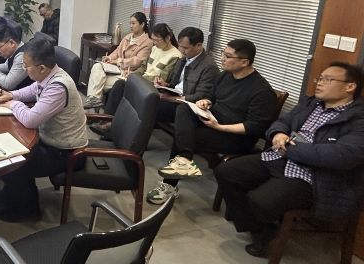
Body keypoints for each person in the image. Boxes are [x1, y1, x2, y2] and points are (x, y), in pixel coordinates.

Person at [214, 62, 364, 257]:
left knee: (260, 200)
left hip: (317, 177)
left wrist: (291, 150)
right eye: (319, 78)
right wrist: (278, 133)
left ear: (350, 86)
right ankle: (260, 228)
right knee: (226, 172)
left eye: (328, 80)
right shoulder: (311, 103)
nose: (319, 83)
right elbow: (282, 122)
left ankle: (261, 231)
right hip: (280, 157)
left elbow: (343, 156)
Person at [147, 38, 278, 206]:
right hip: (213, 121)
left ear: (244, 62)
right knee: (184, 109)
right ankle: (185, 160)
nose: (222, 58)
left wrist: (220, 127)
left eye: (228, 56)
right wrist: (206, 102)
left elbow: (255, 127)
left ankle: (170, 184)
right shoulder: (226, 75)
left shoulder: (262, 91)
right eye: (223, 53)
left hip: (235, 137)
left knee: (185, 136)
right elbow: (212, 96)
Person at [0, 37, 88, 221]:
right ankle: (14, 196)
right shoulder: (50, 75)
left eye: (26, 65)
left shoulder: (58, 87)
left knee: (15, 161)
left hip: (67, 153)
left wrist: (12, 104)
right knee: (13, 149)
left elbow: (30, 120)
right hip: (50, 140)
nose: (24, 68)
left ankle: (27, 210)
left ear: (42, 68)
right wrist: (11, 95)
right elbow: (32, 90)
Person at [95, 23, 183, 130]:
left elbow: (163, 78)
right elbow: (143, 67)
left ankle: (111, 125)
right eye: (153, 39)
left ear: (168, 38)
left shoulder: (175, 55)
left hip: (153, 86)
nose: (154, 43)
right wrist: (133, 74)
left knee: (123, 90)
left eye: (157, 40)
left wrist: (136, 78)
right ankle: (107, 121)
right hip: (142, 81)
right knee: (119, 84)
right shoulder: (155, 48)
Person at [83, 11, 152, 109]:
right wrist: (110, 57)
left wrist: (117, 61)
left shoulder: (147, 42)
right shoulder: (128, 37)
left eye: (133, 23)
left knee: (97, 82)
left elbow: (137, 61)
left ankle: (94, 101)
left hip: (129, 73)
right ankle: (95, 101)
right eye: (130, 23)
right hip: (117, 69)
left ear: (142, 24)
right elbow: (117, 50)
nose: (131, 26)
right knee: (97, 66)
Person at [154, 26, 220, 123]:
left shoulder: (209, 67)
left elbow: (200, 96)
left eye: (185, 48)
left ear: (198, 45)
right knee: (144, 98)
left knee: (152, 107)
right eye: (179, 46)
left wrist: (170, 99)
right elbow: (175, 85)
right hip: (174, 97)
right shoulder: (183, 59)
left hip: (186, 106)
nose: (181, 50)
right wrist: (165, 85)